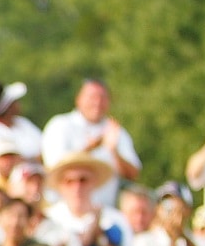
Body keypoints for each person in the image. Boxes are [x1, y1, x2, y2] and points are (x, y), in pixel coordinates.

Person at [42, 79, 141, 207]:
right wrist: (89, 148)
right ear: (78, 99)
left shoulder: (116, 131)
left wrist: (114, 151)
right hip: (63, 210)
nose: (97, 102)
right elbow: (54, 167)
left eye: (103, 97)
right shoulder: (60, 125)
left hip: (104, 212)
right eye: (92, 97)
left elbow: (133, 174)